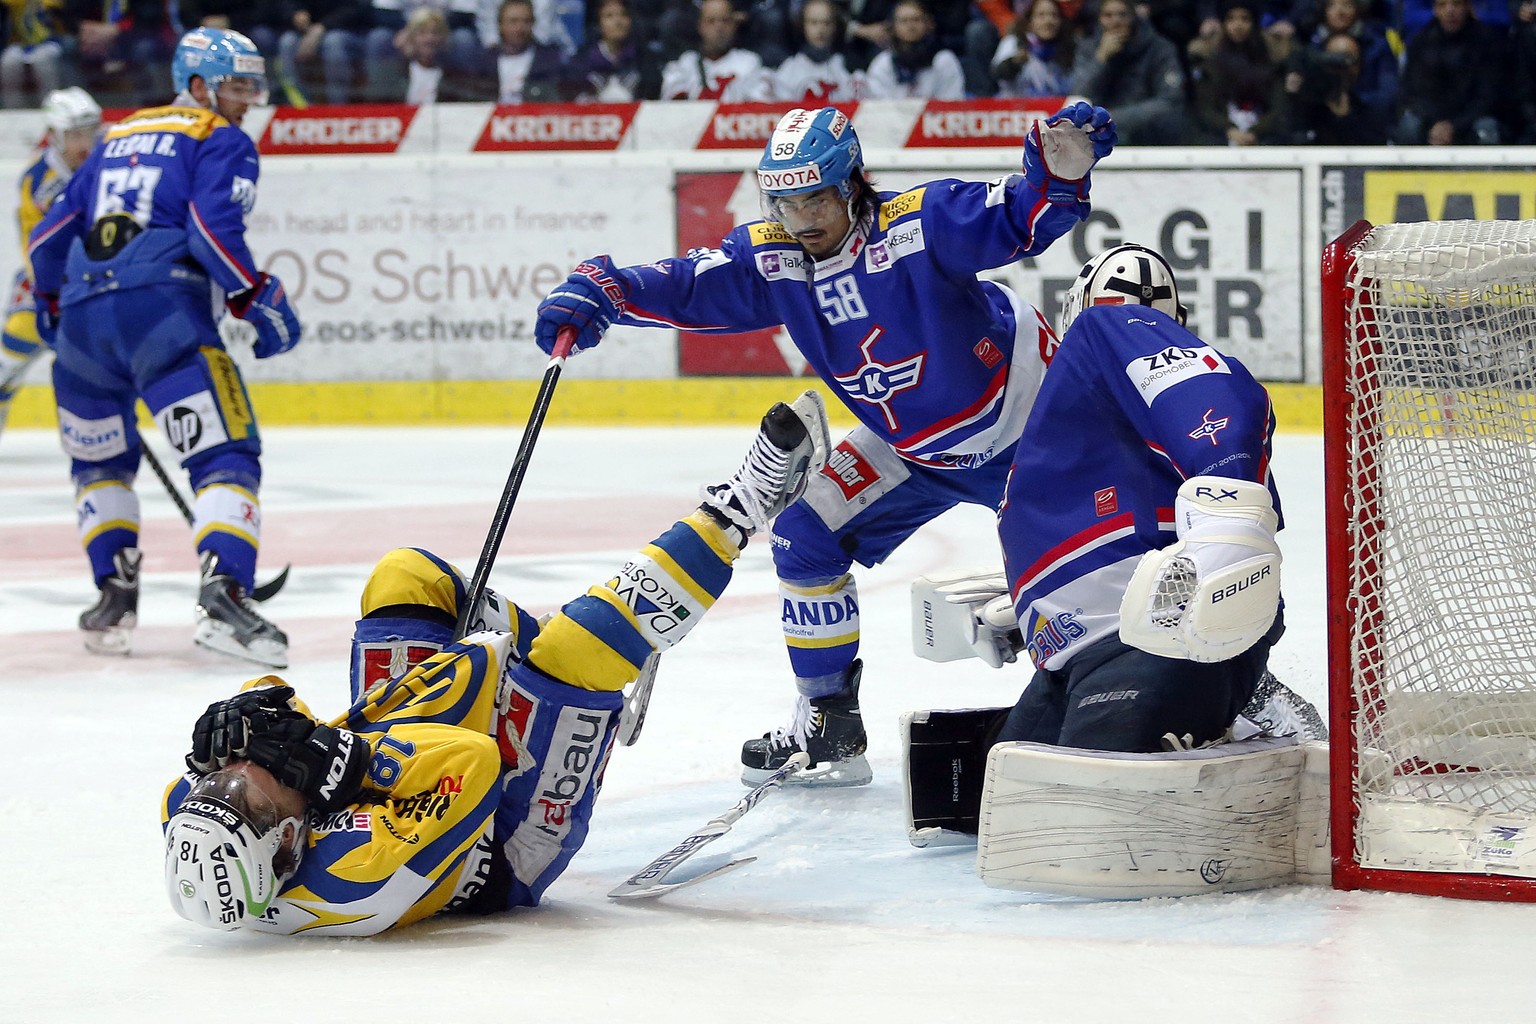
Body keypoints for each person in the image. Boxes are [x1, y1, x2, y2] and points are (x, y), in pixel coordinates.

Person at [533, 102, 1116, 787]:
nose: (802, 216)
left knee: (1088, 596)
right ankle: (828, 723)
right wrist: (610, 289)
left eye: (816, 196)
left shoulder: (922, 221)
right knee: (803, 534)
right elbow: (692, 284)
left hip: (1028, 432)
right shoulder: (773, 254)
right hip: (912, 448)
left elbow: (1020, 216)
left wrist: (1056, 174)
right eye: (785, 199)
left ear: (852, 184)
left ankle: (1173, 686)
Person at [162, 392, 831, 935]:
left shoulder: (207, 828)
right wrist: (346, 761)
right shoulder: (350, 872)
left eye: (213, 788)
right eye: (242, 794)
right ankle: (743, 507)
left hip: (413, 769)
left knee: (406, 577)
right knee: (576, 652)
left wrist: (242, 724)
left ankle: (544, 664)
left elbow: (270, 728)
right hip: (505, 836)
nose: (232, 779)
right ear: (285, 844)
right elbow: (473, 763)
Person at [27, 28, 301, 667]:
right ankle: (225, 599)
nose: (249, 101)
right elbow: (211, 229)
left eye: (254, 86)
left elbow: (48, 238)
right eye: (237, 86)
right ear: (199, 85)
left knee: (99, 464)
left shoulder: (114, 136)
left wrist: (50, 308)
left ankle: (113, 602)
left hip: (83, 331)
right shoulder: (218, 137)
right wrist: (254, 298)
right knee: (224, 454)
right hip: (162, 317)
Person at [980, 244, 1291, 752]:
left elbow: (1207, 390)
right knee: (984, 806)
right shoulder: (1083, 429)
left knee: (1078, 816)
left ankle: (1256, 721)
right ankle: (1254, 711)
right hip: (1080, 655)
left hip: (1142, 642)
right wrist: (1031, 606)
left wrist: (1228, 503)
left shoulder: (1098, 331)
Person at [0, 86, 99, 442]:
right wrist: (52, 290)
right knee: (13, 348)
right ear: (55, 136)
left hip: (96, 281)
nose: (83, 142)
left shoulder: (107, 162)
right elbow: (36, 248)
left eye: (88, 132)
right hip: (46, 283)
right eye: (73, 135)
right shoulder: (39, 180)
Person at [1070, 0, 1190, 145]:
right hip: (1097, 138)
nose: (1116, 21)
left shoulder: (1159, 49)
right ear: (1099, 19)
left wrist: (1113, 118)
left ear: (1133, 17)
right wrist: (1100, 59)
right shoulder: (1088, 49)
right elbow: (1077, 97)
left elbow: (1170, 101)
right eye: (1108, 15)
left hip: (1150, 137)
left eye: (1122, 15)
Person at [1391, 0, 1506, 146]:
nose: (1450, 11)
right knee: (1409, 127)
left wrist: (1454, 126)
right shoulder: (1421, 42)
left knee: (1487, 129)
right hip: (1431, 121)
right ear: (1435, 10)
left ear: (1468, 7)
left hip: (1471, 119)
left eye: (1457, 4)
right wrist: (1436, 123)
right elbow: (1412, 92)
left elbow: (1488, 96)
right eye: (1442, 5)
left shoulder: (1488, 42)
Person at [1190, 0, 1289, 146]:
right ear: (1223, 22)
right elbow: (1205, 108)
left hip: (1264, 134)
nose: (1238, 25)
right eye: (1231, 18)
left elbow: (1279, 107)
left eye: (1245, 18)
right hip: (1220, 132)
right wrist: (1229, 130)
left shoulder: (1273, 59)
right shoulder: (1208, 59)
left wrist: (1255, 132)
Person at [658, 0, 772, 101]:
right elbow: (672, 111)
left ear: (734, 24)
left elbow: (758, 110)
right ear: (700, 26)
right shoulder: (685, 64)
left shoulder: (749, 63)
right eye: (711, 21)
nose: (719, 28)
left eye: (725, 20)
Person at [862, 0, 966, 99]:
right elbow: (876, 107)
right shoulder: (883, 63)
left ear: (928, 24)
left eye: (916, 20)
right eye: (904, 21)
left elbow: (952, 103)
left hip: (932, 116)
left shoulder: (943, 61)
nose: (911, 26)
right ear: (893, 27)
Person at [771, 0, 861, 104]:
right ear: (802, 25)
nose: (820, 29)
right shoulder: (789, 68)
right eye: (814, 23)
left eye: (827, 23)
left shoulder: (849, 67)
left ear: (835, 26)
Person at [482, 0, 567, 102]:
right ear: (500, 24)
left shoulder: (550, 60)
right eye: (513, 21)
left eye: (526, 21)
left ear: (533, 23)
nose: (519, 28)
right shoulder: (483, 63)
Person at [990, 0, 1077, 99]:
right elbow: (998, 73)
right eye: (1041, 15)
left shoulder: (1068, 47)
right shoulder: (1014, 42)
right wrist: (1014, 62)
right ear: (1029, 21)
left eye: (1054, 15)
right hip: (1016, 108)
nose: (1048, 21)